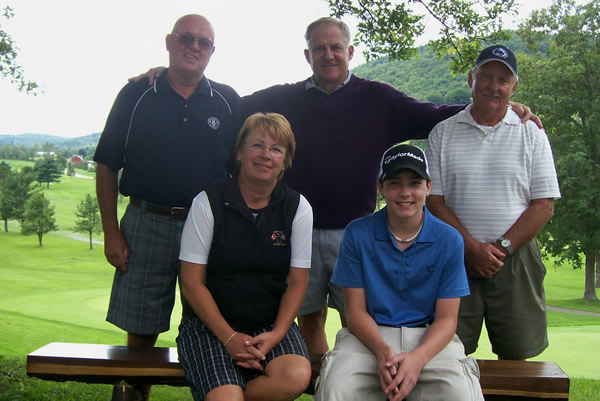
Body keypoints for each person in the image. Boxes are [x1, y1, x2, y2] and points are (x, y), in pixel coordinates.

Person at [133, 17, 540, 361]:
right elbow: (222, 103)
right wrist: (171, 77)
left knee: (359, 315)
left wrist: (497, 107)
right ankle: (320, 379)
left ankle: (360, 377)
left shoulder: (379, 98)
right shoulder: (281, 99)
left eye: (336, 47)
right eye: (319, 48)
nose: (328, 54)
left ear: (350, 52)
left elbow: (435, 116)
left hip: (358, 233)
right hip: (299, 232)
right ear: (308, 55)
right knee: (309, 315)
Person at [93, 14, 244, 399]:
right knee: (140, 330)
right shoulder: (136, 94)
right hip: (146, 221)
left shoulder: (229, 101)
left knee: (211, 329)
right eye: (185, 38)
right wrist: (111, 230)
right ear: (169, 42)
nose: (194, 46)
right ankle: (131, 396)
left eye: (203, 42)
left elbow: (244, 168)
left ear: (212, 51)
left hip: (209, 230)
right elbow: (108, 162)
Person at [315, 144, 483, 401]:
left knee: (462, 394)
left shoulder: (449, 239)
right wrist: (382, 350)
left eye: (414, 183)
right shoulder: (357, 233)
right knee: (336, 389)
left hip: (429, 339)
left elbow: (447, 319)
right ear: (381, 187)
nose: (405, 193)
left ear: (428, 187)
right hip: (369, 337)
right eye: (395, 183)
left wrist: (418, 359)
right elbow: (355, 311)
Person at [425, 45, 561, 360]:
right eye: (486, 76)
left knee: (518, 355)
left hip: (516, 258)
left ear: (514, 87)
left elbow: (544, 205)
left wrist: (500, 249)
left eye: (503, 79)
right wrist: (471, 247)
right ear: (471, 77)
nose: (493, 86)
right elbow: (434, 200)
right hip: (455, 258)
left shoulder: (532, 133)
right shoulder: (443, 133)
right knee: (447, 354)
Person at [177, 112, 313, 401]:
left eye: (276, 149)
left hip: (269, 322)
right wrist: (229, 338)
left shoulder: (297, 207)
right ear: (239, 152)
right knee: (226, 397)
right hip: (209, 325)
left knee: (296, 376)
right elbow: (191, 282)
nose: (266, 155)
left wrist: (277, 334)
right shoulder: (207, 203)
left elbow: (297, 281)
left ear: (284, 161)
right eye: (257, 145)